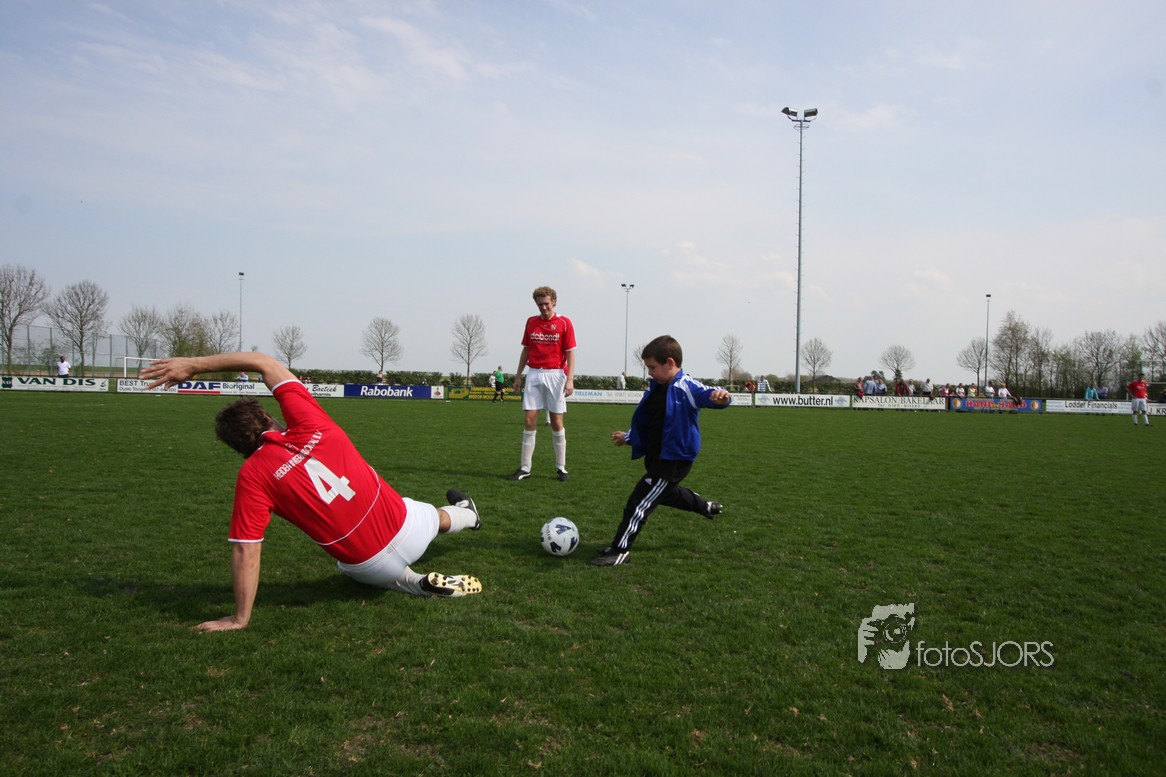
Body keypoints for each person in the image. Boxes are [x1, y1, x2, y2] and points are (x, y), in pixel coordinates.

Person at [141, 352, 483, 632]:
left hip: (367, 563)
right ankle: (468, 515)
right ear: (266, 417)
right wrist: (194, 364)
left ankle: (415, 582)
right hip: (409, 528)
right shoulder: (310, 424)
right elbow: (264, 362)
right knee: (430, 514)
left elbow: (247, 549)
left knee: (348, 568)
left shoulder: (252, 475)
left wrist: (240, 618)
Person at [592, 335, 731, 567]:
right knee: (667, 494)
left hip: (674, 460)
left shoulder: (686, 386)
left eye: (652, 367)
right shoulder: (657, 387)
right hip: (657, 457)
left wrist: (721, 396)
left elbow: (709, 393)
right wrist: (629, 437)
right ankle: (706, 507)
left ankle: (620, 550)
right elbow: (652, 423)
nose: (650, 372)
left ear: (670, 363)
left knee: (639, 502)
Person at [507, 286, 576, 482]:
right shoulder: (531, 322)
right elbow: (526, 350)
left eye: (546, 304)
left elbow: (570, 352)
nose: (543, 307)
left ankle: (561, 468)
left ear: (554, 302)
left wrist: (570, 379)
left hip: (555, 374)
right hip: (534, 374)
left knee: (556, 422)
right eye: (540, 304)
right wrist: (518, 376)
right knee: (529, 421)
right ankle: (525, 468)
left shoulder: (564, 322)